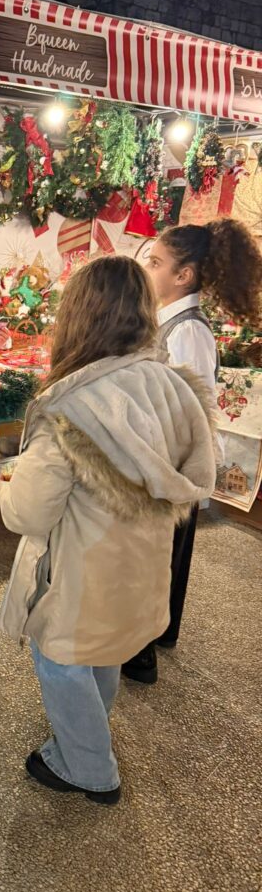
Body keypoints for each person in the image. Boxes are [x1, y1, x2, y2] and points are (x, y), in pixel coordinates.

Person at [0, 256, 216, 804]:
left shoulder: (69, 408)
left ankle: (88, 767)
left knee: (61, 661)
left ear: (78, 317)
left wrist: (7, 479)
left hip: (78, 578)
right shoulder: (172, 389)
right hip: (139, 569)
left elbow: (28, 514)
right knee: (109, 647)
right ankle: (88, 732)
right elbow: (196, 478)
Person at [122, 218, 262, 684]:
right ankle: (151, 636)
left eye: (157, 262)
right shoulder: (167, 322)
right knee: (157, 557)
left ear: (184, 275)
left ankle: (141, 652)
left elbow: (188, 411)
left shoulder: (189, 332)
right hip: (160, 462)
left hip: (172, 466)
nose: (149, 269)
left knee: (160, 559)